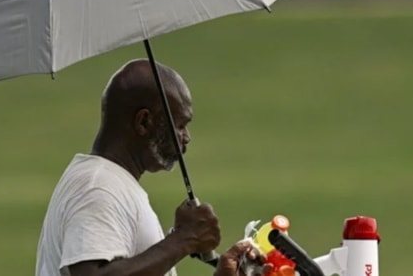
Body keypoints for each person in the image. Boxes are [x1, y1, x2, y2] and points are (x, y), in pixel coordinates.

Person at [36, 59, 268, 276]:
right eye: (179, 126)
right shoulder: (97, 188)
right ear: (144, 122)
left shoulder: (110, 183)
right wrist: (183, 239)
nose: (186, 137)